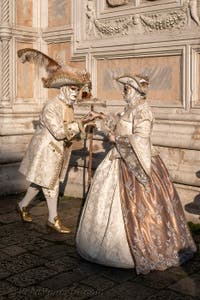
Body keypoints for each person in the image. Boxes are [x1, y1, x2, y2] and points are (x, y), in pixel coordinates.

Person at [76, 74, 196, 274]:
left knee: (142, 206)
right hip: (118, 161)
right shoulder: (131, 109)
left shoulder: (143, 111)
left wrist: (118, 139)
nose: (124, 92)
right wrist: (101, 118)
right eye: (123, 89)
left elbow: (141, 139)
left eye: (126, 89)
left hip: (136, 164)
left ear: (136, 91)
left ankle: (141, 249)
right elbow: (120, 124)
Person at [17, 65, 93, 234]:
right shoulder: (51, 106)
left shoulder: (68, 106)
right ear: (64, 88)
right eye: (73, 89)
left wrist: (85, 122)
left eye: (78, 90)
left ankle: (22, 205)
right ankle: (53, 219)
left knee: (40, 180)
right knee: (50, 183)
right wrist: (82, 123)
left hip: (58, 151)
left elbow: (69, 131)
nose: (76, 93)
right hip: (47, 150)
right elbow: (59, 132)